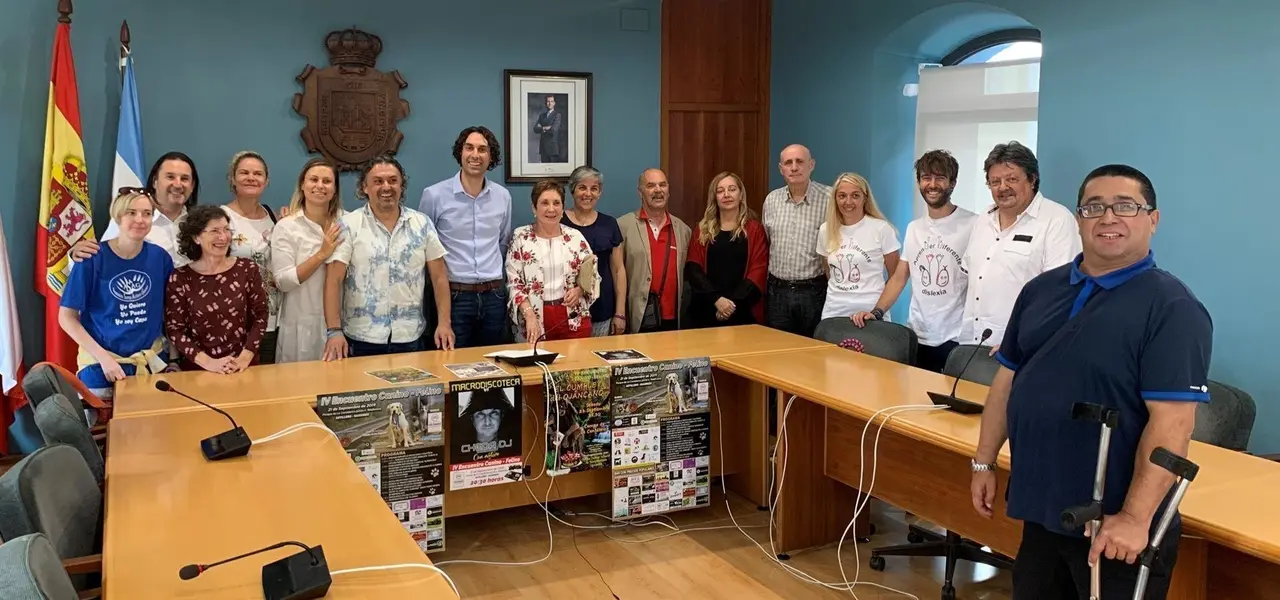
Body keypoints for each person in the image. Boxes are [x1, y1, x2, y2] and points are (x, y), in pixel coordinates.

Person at [971, 165, 1212, 599]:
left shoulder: (1172, 308)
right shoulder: (1041, 290)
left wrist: (1137, 519)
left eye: (1126, 206)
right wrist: (984, 461)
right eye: (1094, 207)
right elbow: (1008, 380)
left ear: (1152, 219)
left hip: (1113, 526)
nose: (1108, 217)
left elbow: (1174, 424)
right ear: (1079, 218)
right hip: (1044, 510)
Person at [325, 155, 453, 359]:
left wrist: (444, 323)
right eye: (378, 181)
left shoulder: (422, 224)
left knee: (411, 392)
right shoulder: (348, 225)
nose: (386, 187)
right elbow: (334, 280)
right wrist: (334, 330)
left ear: (402, 185)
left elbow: (439, 278)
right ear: (364, 187)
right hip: (361, 338)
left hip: (410, 337)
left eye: (393, 180)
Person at [961, 141, 1080, 349]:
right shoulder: (983, 219)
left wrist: (1018, 341)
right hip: (971, 344)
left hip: (1021, 351)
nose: (1003, 187)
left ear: (1032, 179)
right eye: (995, 181)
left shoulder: (1056, 220)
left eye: (1012, 179)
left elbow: (1061, 294)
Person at [58, 189, 175, 398]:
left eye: (147, 214)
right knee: (105, 430)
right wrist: (104, 358)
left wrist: (173, 358)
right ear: (118, 216)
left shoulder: (160, 258)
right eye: (131, 213)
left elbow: (170, 312)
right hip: (102, 367)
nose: (140, 220)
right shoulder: (92, 258)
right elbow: (66, 317)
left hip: (151, 363)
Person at [878, 150, 978, 372]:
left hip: (956, 338)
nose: (932, 184)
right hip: (917, 334)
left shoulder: (974, 224)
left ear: (952, 183)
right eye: (926, 178)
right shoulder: (915, 228)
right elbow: (899, 277)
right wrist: (877, 312)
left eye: (940, 178)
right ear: (919, 182)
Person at [418, 126, 513, 348]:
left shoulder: (503, 197)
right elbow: (424, 247)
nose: (475, 155)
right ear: (460, 153)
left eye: (482, 149)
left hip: (494, 297)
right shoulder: (434, 195)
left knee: (495, 367)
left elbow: (503, 241)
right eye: (469, 148)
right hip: (453, 297)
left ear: (491, 157)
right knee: (453, 368)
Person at [164, 205, 269, 373]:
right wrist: (209, 363)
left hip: (243, 367)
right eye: (214, 231)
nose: (223, 237)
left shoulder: (247, 269)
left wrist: (244, 357)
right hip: (199, 371)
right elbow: (175, 330)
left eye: (226, 229)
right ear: (196, 237)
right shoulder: (180, 278)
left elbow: (261, 314)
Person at [67, 152, 201, 267]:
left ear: (193, 185)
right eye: (170, 177)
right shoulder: (129, 219)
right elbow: (102, 262)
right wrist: (77, 256)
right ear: (155, 181)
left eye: (184, 178)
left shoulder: (200, 223)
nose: (178, 184)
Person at [269, 158, 344, 363]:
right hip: (300, 327)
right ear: (302, 185)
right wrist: (321, 254)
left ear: (335, 189)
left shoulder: (347, 223)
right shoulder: (287, 227)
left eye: (327, 181)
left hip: (341, 328)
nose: (320, 186)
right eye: (313, 179)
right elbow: (283, 281)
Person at [507, 180, 600, 343]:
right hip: (534, 318)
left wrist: (580, 290)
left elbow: (593, 274)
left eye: (556, 203)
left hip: (573, 318)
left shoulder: (575, 237)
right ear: (534, 208)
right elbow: (514, 283)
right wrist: (529, 315)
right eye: (544, 203)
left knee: (576, 367)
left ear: (563, 209)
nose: (551, 209)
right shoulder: (520, 237)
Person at [762, 144, 832, 337]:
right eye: (788, 163)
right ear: (781, 168)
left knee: (812, 352)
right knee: (776, 350)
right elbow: (767, 243)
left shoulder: (830, 198)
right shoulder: (771, 200)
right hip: (777, 292)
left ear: (811, 165)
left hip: (814, 292)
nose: (794, 167)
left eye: (800, 162)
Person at [684, 171, 769, 329]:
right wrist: (717, 300)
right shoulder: (702, 230)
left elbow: (758, 271)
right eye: (720, 190)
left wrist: (730, 307)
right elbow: (694, 269)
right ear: (714, 197)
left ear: (740, 194)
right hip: (705, 310)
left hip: (743, 312)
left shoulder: (754, 230)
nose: (726, 194)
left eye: (732, 189)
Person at [815, 173, 901, 325]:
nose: (848, 201)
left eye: (855, 195)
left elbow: (895, 276)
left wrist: (877, 311)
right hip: (833, 313)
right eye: (842, 196)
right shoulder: (825, 230)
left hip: (871, 314)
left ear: (865, 198)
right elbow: (830, 272)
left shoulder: (881, 229)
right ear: (835, 199)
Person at [222, 150, 282, 364]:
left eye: (258, 174)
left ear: (266, 181)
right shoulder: (221, 218)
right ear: (233, 179)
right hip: (236, 321)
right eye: (244, 172)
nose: (251, 178)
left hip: (273, 319)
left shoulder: (274, 216)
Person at [618, 168, 691, 333]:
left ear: (668, 190)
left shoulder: (683, 230)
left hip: (673, 320)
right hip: (638, 318)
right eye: (651, 185)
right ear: (640, 192)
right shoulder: (623, 227)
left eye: (662, 185)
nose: (658, 190)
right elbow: (616, 273)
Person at [562, 166, 627, 336]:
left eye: (594, 189)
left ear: (600, 192)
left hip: (602, 310)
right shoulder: (558, 222)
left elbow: (618, 270)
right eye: (582, 187)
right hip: (566, 310)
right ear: (572, 190)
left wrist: (620, 313)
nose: (588, 194)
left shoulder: (609, 224)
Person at [533, 95, 564, 163]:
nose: (550, 103)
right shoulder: (542, 116)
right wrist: (545, 127)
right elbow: (535, 129)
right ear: (545, 103)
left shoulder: (557, 115)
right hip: (543, 148)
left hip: (552, 148)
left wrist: (541, 128)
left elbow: (554, 129)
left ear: (554, 103)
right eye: (548, 101)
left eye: (551, 101)